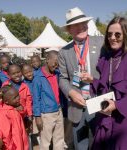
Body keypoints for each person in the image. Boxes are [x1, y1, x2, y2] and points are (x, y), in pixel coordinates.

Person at [58, 7, 104, 150]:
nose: (81, 27)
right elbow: (63, 78)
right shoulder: (64, 51)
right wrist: (71, 93)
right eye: (75, 25)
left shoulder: (102, 43)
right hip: (77, 106)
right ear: (69, 30)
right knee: (81, 146)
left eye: (83, 23)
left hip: (100, 101)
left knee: (101, 143)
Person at [80, 16, 127, 150]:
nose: (112, 38)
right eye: (110, 34)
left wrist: (117, 105)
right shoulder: (107, 58)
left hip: (123, 123)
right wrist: (92, 80)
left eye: (117, 34)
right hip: (105, 119)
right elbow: (106, 86)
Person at [33, 51, 64, 150]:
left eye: (58, 65)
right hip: (47, 114)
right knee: (45, 142)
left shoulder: (57, 74)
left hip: (59, 111)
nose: (56, 67)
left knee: (59, 139)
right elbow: (36, 98)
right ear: (47, 60)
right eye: (55, 64)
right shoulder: (38, 77)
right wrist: (37, 116)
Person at [0, 85, 29, 150]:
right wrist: (10, 147)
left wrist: (22, 110)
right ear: (6, 101)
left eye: (18, 95)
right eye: (15, 98)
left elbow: (22, 114)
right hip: (14, 146)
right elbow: (6, 134)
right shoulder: (4, 113)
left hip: (21, 140)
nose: (18, 98)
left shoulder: (14, 107)